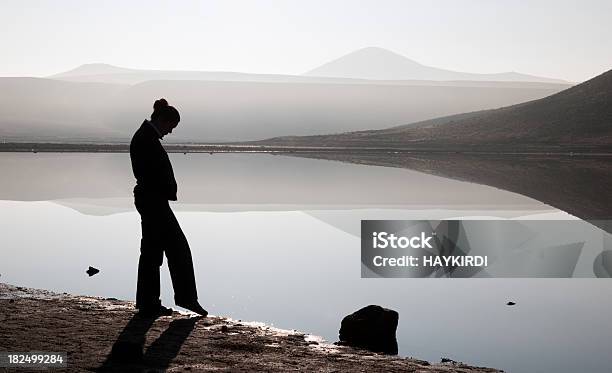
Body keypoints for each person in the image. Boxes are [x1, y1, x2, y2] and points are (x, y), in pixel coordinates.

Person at [129, 98, 208, 317]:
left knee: (152, 252)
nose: (171, 132)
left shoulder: (146, 136)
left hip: (151, 200)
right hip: (153, 201)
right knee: (178, 248)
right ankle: (185, 298)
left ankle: (148, 302)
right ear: (163, 120)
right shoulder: (146, 138)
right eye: (171, 127)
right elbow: (149, 174)